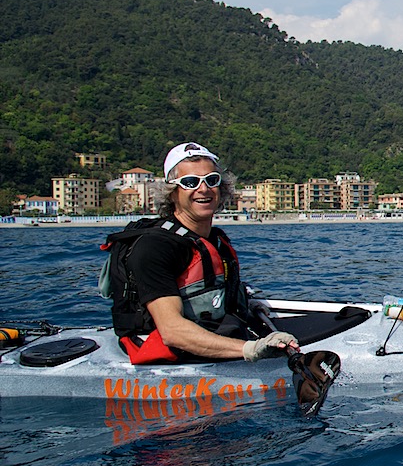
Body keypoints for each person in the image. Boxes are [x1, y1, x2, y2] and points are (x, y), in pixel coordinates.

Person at [103, 142, 297, 364]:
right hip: (168, 352)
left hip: (214, 332)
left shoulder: (215, 240)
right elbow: (172, 330)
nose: (203, 189)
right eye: (190, 182)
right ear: (172, 192)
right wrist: (251, 349)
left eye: (211, 180)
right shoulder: (153, 248)